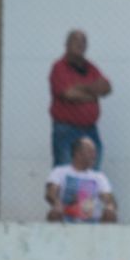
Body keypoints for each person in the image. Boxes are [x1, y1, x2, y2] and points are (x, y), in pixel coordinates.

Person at [49, 29, 112, 169]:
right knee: (65, 173)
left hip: (90, 130)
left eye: (83, 42)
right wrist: (93, 92)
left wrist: (81, 88)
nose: (80, 45)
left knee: (92, 173)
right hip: (66, 130)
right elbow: (68, 94)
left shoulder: (91, 68)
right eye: (75, 41)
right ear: (66, 44)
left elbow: (107, 88)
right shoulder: (59, 67)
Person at [45, 137, 117, 223]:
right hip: (65, 218)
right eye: (90, 152)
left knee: (110, 215)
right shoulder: (60, 172)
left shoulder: (99, 177)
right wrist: (56, 203)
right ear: (77, 153)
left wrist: (109, 206)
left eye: (94, 152)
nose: (94, 155)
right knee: (54, 214)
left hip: (93, 220)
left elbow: (108, 197)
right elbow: (51, 193)